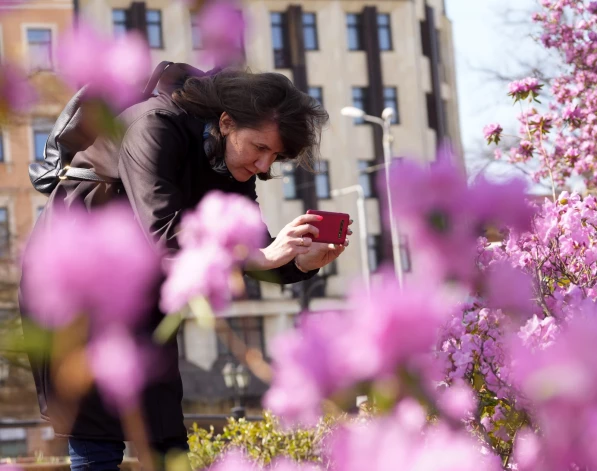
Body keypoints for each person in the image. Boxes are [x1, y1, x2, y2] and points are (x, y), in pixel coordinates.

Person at [19, 64, 349, 470]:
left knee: (161, 426)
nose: (264, 166)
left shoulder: (228, 164)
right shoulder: (154, 126)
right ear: (226, 122)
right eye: (259, 147)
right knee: (96, 424)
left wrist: (300, 261)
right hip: (78, 271)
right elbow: (165, 233)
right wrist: (259, 256)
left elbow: (251, 246)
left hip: (136, 281)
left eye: (275, 156)